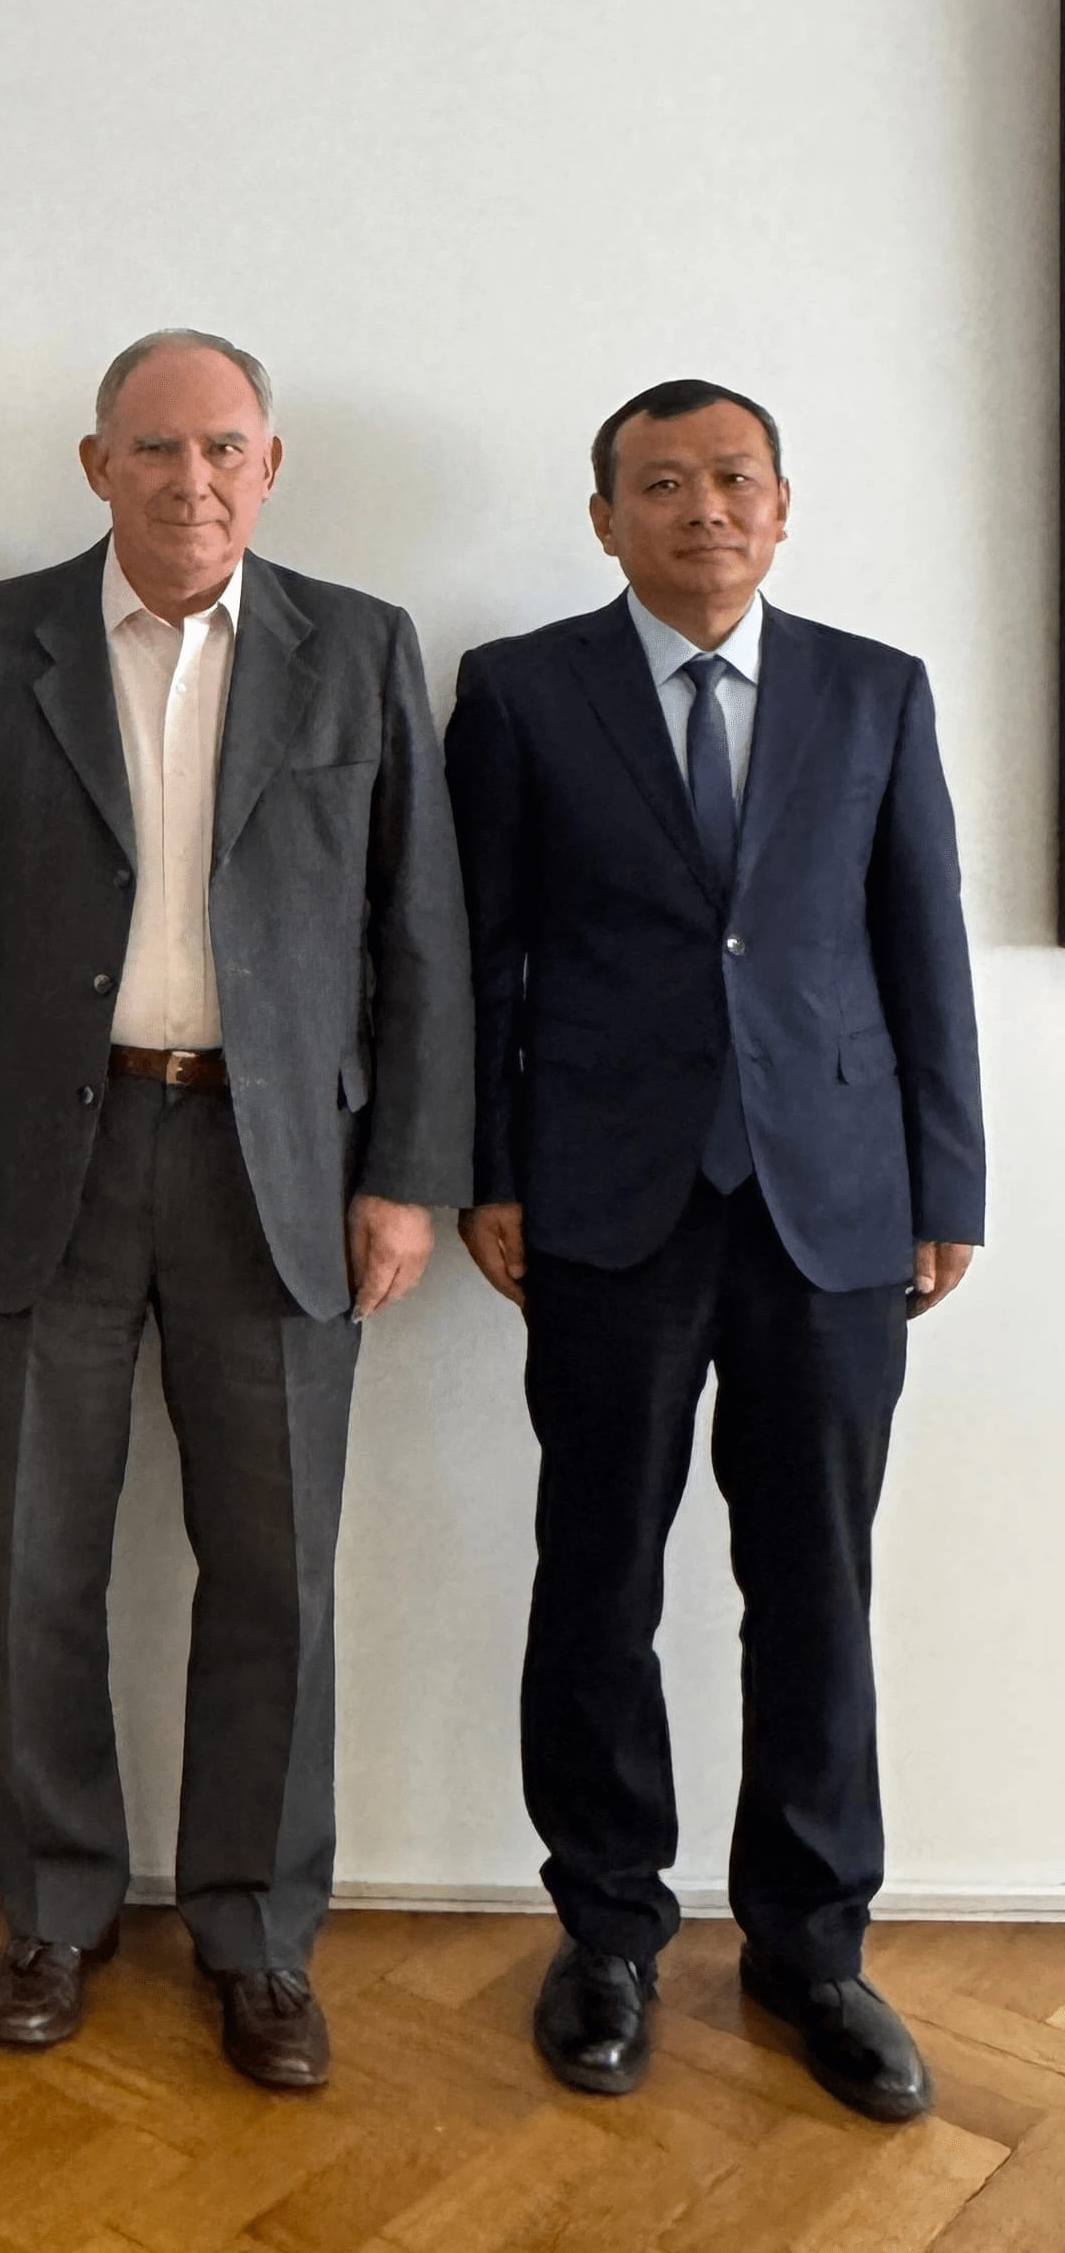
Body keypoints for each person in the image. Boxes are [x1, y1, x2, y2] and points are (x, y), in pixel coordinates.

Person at [0, 328, 470, 2090]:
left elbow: (419, 932)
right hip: (37, 1160)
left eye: (222, 448)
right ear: (96, 464)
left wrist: (406, 1175)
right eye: (154, 447)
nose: (190, 480)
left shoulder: (360, 648)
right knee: (32, 1562)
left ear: (269, 466)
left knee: (276, 1571)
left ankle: (259, 1936)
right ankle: (54, 1909)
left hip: (279, 1171)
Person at [446, 379, 981, 2124]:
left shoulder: (875, 690)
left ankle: (812, 1947)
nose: (705, 508)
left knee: (817, 1578)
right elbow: (485, 954)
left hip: (835, 1201)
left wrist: (948, 1183)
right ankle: (607, 1928)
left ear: (782, 503)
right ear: (606, 518)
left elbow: (921, 944)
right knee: (598, 1567)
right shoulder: (520, 691)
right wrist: (485, 1168)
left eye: (734, 477)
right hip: (605, 1194)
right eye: (662, 483)